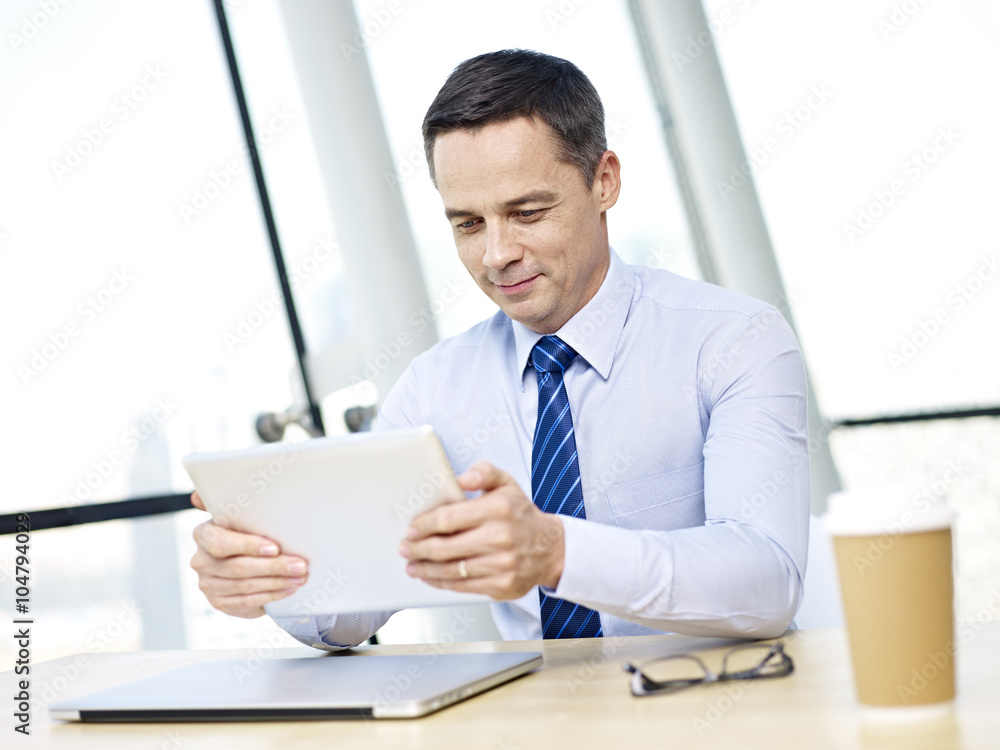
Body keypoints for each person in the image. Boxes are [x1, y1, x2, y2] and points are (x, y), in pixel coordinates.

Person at [190, 49, 809, 649]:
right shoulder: (434, 388)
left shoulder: (732, 340)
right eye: (468, 224)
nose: (495, 255)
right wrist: (272, 574)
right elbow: (349, 611)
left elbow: (766, 579)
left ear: (604, 181)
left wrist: (555, 551)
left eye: (528, 213)